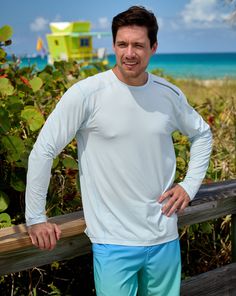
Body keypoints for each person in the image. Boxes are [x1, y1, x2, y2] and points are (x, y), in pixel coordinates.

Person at [25, 6, 212, 296]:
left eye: (138, 45)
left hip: (164, 238)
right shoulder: (87, 93)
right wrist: (36, 218)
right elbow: (43, 150)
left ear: (153, 48)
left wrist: (189, 186)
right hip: (113, 243)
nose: (129, 53)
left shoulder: (169, 94)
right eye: (122, 44)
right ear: (113, 45)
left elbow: (202, 134)